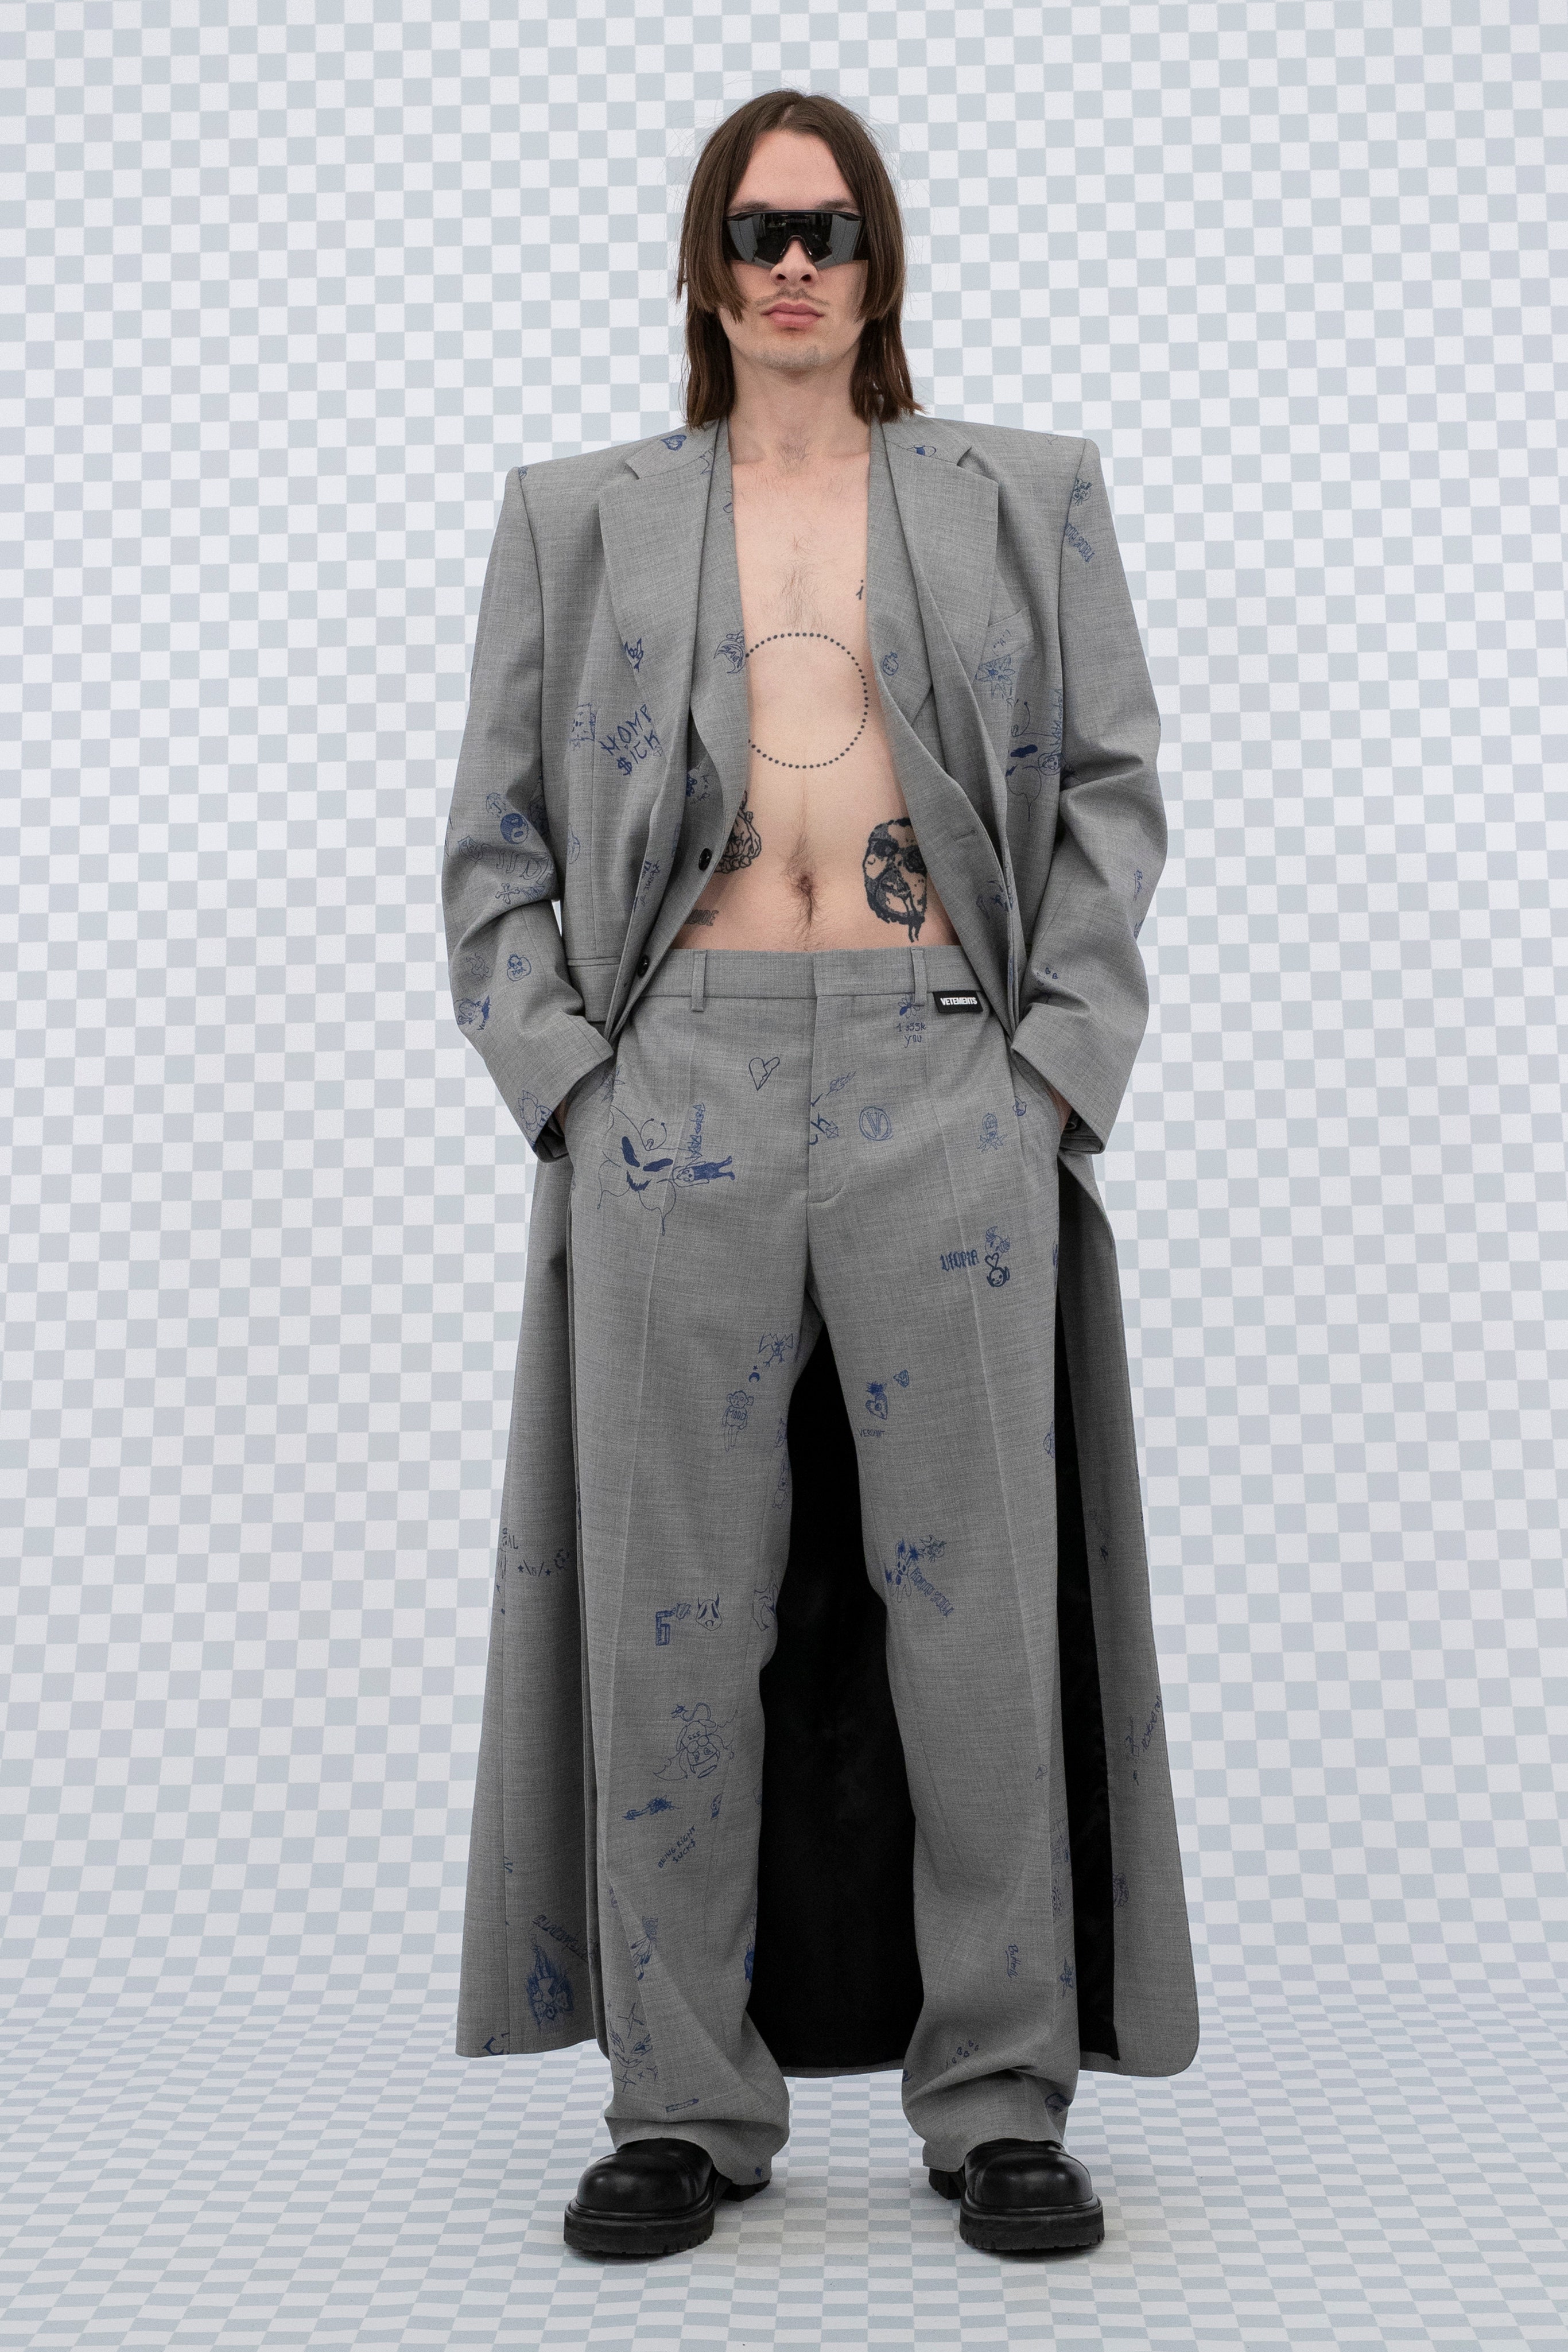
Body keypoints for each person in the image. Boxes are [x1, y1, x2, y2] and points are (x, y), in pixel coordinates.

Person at [441, 88, 1197, 2262]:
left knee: (979, 1609)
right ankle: (680, 2101)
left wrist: (1047, 1071)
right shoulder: (578, 514)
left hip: (940, 1066)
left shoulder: (1020, 494)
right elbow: (492, 842)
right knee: (667, 1606)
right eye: (760, 230)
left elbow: (1113, 790)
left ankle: (998, 2098)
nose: (795, 266)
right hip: (670, 1073)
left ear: (880, 262)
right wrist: (571, 1084)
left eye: (832, 230)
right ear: (706, 260)